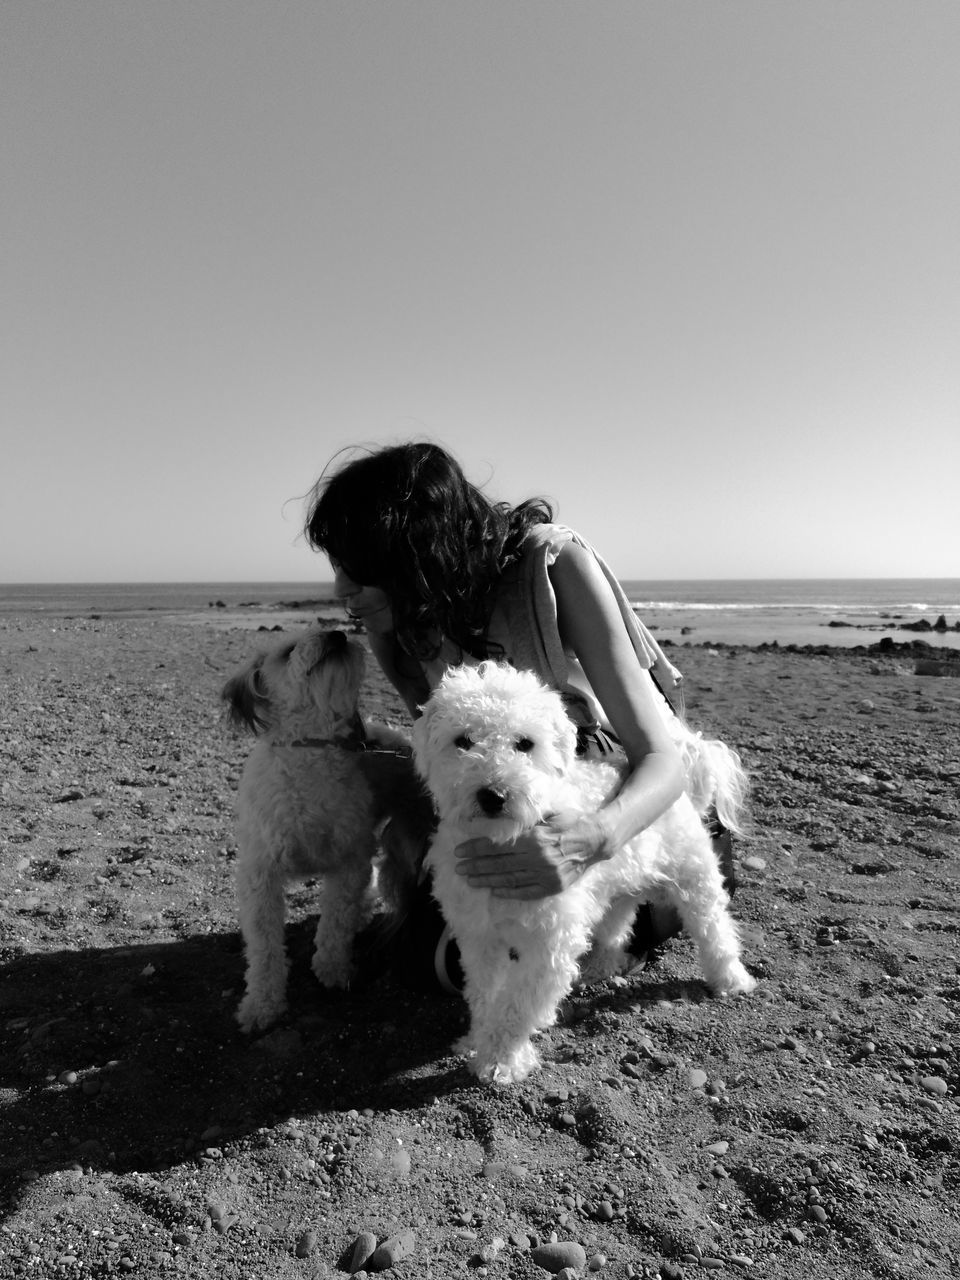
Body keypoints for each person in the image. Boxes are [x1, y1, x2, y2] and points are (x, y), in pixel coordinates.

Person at [303, 441, 733, 989]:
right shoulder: (403, 627)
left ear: (418, 555)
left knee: (516, 949)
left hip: (605, 774)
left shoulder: (553, 567)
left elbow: (659, 757)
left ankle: (659, 883)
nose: (342, 592)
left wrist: (587, 843)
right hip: (505, 799)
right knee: (446, 966)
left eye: (359, 572)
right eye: (340, 569)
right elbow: (446, 764)